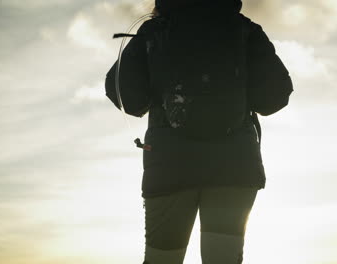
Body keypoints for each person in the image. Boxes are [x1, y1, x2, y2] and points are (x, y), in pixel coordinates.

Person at [105, 0, 293, 263]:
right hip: (234, 167)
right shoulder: (245, 30)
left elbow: (126, 96)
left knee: (163, 259)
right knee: (223, 259)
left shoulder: (153, 32)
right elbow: (275, 96)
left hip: (169, 167)